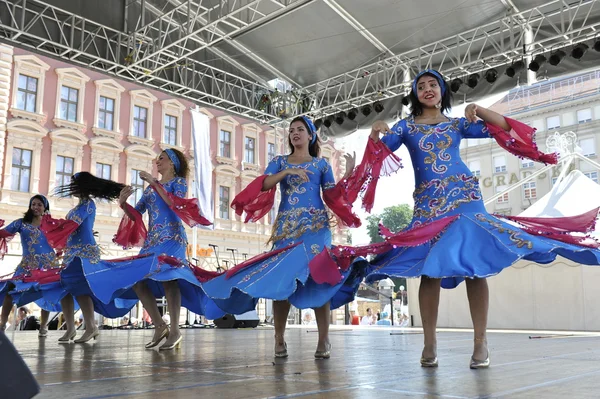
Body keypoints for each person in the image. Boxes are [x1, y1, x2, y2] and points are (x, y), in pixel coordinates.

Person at [349, 68, 600, 369]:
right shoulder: (406, 127)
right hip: (429, 205)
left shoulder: (457, 124)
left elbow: (504, 127)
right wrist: (376, 131)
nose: (428, 89)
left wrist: (480, 109)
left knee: (475, 267)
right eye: (421, 86)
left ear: (442, 91)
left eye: (434, 84)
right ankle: (430, 343)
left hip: (465, 199)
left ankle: (481, 343)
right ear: (414, 94)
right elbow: (377, 156)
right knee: (431, 270)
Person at [202, 116, 367, 359]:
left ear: (311, 136)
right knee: (282, 283)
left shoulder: (321, 164)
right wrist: (287, 171)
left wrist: (350, 173)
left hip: (317, 229)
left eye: (300, 129)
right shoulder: (279, 161)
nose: (295, 133)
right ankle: (279, 337)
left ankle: (323, 340)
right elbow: (265, 184)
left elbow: (332, 194)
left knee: (320, 280)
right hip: (287, 229)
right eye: (291, 131)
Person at [105, 148, 222, 350]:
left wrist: (153, 182)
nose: (157, 161)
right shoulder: (150, 189)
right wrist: (123, 204)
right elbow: (137, 214)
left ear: (173, 163)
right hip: (153, 240)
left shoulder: (178, 183)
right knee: (137, 281)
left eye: (162, 158)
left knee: (170, 279)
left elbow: (172, 203)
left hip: (173, 238)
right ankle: (160, 325)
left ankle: (175, 329)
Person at [45, 172, 140, 343]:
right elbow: (73, 228)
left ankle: (90, 327)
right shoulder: (80, 206)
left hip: (83, 253)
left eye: (74, 183)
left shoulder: (87, 205)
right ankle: (73, 329)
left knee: (80, 290)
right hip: (73, 253)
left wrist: (49, 224)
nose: (71, 186)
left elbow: (72, 226)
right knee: (66, 289)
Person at [0, 195, 67, 337]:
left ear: (45, 208)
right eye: (33, 204)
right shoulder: (21, 223)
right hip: (27, 266)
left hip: (48, 265)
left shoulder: (51, 224)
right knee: (10, 290)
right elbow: (3, 233)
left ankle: (43, 326)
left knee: (46, 293)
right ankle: (2, 323)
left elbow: (65, 236)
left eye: (39, 205)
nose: (36, 207)